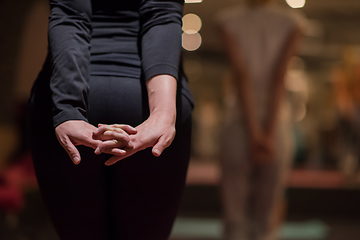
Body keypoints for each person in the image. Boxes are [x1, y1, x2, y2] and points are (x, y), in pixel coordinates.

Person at [27, 0, 193, 239]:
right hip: (144, 99)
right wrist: (162, 113)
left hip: (67, 97)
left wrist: (68, 108)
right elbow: (162, 14)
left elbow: (70, 14)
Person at [216, 0, 303, 239]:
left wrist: (253, 132)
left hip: (238, 119)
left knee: (235, 216)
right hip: (277, 123)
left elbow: (241, 76)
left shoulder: (227, 21)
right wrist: (268, 133)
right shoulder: (293, 22)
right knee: (266, 218)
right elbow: (279, 78)